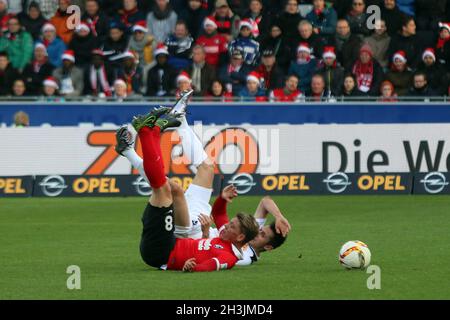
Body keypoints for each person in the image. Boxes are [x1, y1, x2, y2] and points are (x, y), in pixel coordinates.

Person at [116, 92, 290, 265]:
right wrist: (279, 216)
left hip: (194, 233)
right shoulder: (246, 231)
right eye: (261, 230)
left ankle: (138, 143)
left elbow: (208, 253)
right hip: (202, 216)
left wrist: (206, 233)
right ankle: (178, 119)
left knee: (169, 188)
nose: (259, 231)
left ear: (267, 247)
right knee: (207, 168)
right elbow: (253, 205)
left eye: (263, 235)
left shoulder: (245, 257)